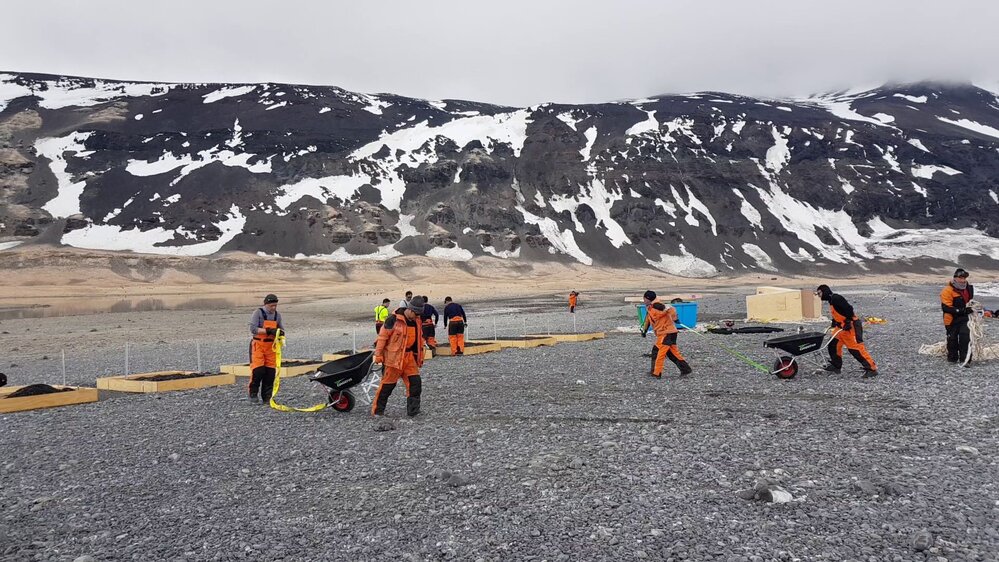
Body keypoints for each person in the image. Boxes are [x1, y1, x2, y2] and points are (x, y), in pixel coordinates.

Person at [373, 296, 426, 416]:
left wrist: (419, 356)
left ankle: (413, 411)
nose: (417, 316)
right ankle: (377, 411)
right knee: (387, 386)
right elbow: (382, 338)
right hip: (393, 359)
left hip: (409, 358)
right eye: (416, 314)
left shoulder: (417, 321)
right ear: (410, 310)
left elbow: (419, 339)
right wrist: (378, 355)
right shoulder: (392, 320)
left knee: (415, 384)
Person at [816, 285, 878, 377]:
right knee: (833, 345)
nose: (818, 295)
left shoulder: (836, 298)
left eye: (819, 293)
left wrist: (848, 321)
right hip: (841, 327)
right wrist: (835, 321)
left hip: (851, 326)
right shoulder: (831, 300)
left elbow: (849, 309)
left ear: (825, 291)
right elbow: (840, 312)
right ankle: (836, 365)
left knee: (855, 349)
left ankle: (871, 368)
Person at [640, 290, 692, 377]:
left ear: (648, 299)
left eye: (644, 298)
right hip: (668, 333)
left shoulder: (657, 306)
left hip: (666, 333)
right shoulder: (650, 307)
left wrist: (675, 319)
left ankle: (656, 373)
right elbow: (648, 320)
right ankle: (685, 369)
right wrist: (644, 330)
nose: (644, 300)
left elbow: (671, 309)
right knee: (672, 353)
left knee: (658, 352)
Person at [248, 294, 285, 404]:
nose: (273, 308)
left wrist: (280, 333)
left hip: (271, 347)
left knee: (270, 373)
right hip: (258, 345)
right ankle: (253, 393)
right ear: (265, 304)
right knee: (258, 370)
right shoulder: (258, 313)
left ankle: (267, 397)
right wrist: (268, 331)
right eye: (271, 306)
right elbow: (253, 329)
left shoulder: (277, 315)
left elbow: (281, 329)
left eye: (275, 305)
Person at [940, 268, 975, 365]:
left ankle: (965, 360)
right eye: (960, 278)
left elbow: (970, 301)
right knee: (952, 339)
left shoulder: (968, 288)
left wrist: (971, 308)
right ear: (955, 278)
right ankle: (952, 358)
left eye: (964, 278)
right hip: (951, 319)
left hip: (965, 318)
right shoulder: (947, 290)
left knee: (965, 337)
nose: (963, 280)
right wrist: (962, 310)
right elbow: (945, 308)